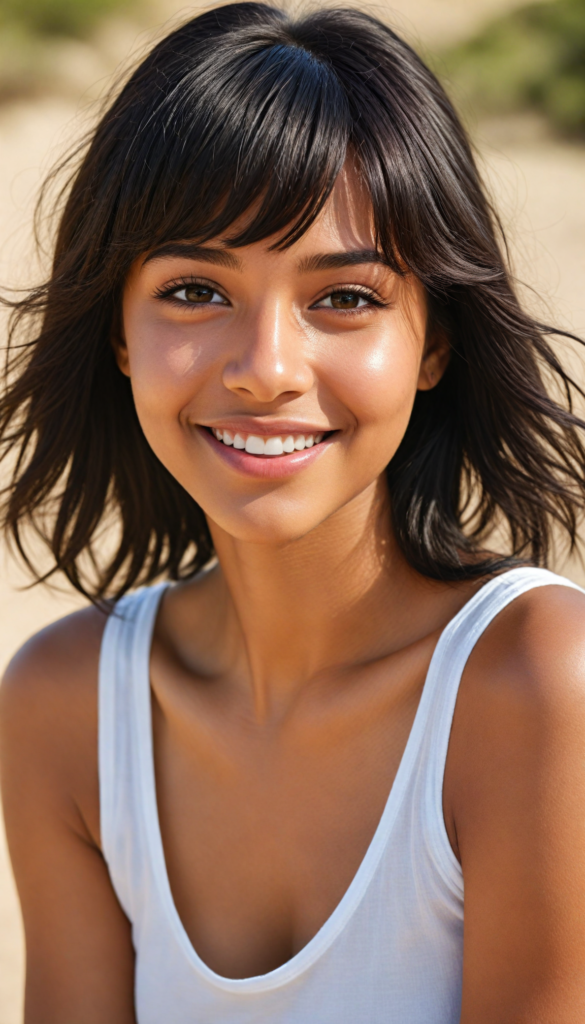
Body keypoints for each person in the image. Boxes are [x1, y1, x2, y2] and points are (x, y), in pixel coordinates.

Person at [2, 3, 585, 1021]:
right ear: (120, 335)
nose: (267, 369)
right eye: (193, 291)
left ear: (433, 343)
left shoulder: (536, 683)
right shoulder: (65, 707)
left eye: (345, 299)